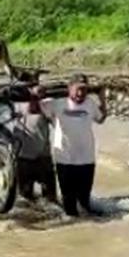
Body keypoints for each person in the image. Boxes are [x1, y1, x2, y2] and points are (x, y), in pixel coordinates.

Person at [39, 74, 108, 217]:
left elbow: (101, 119)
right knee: (69, 206)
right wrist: (37, 93)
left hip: (87, 160)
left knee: (84, 202)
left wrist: (102, 98)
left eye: (83, 90)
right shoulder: (56, 103)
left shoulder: (90, 103)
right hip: (65, 160)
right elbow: (36, 107)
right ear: (69, 89)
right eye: (77, 89)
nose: (80, 93)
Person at [14, 86, 57, 203]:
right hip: (23, 159)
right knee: (24, 199)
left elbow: (58, 126)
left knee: (51, 199)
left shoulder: (46, 109)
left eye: (38, 98)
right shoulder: (17, 108)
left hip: (44, 157)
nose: (34, 101)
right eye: (32, 98)